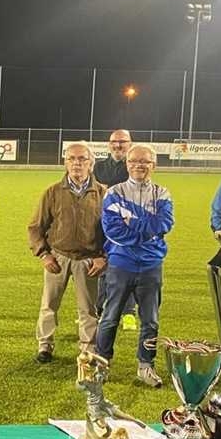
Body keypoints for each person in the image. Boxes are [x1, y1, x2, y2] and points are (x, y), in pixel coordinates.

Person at [95, 144, 174, 388]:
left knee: (150, 320)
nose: (139, 165)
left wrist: (131, 220)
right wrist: (146, 230)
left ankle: (145, 366)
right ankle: (101, 364)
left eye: (145, 161)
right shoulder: (114, 192)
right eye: (134, 161)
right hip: (121, 264)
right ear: (127, 165)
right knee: (110, 317)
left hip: (151, 265)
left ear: (154, 165)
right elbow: (113, 229)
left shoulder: (162, 193)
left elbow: (164, 224)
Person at [28, 142, 107, 363]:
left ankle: (88, 349)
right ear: (65, 163)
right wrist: (44, 254)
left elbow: (112, 231)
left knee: (88, 309)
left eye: (82, 159)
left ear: (91, 163)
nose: (76, 163)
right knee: (49, 305)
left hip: (89, 260)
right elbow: (35, 227)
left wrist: (103, 257)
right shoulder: (52, 192)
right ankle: (45, 345)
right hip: (58, 257)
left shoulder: (103, 193)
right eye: (71, 158)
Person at [94, 129, 138, 330]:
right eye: (114, 141)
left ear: (130, 144)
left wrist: (108, 189)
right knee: (102, 268)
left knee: (126, 269)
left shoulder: (134, 167)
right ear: (109, 144)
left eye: (122, 141)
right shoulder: (98, 167)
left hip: (128, 226)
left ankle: (128, 313)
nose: (118, 145)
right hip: (101, 224)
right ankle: (99, 310)